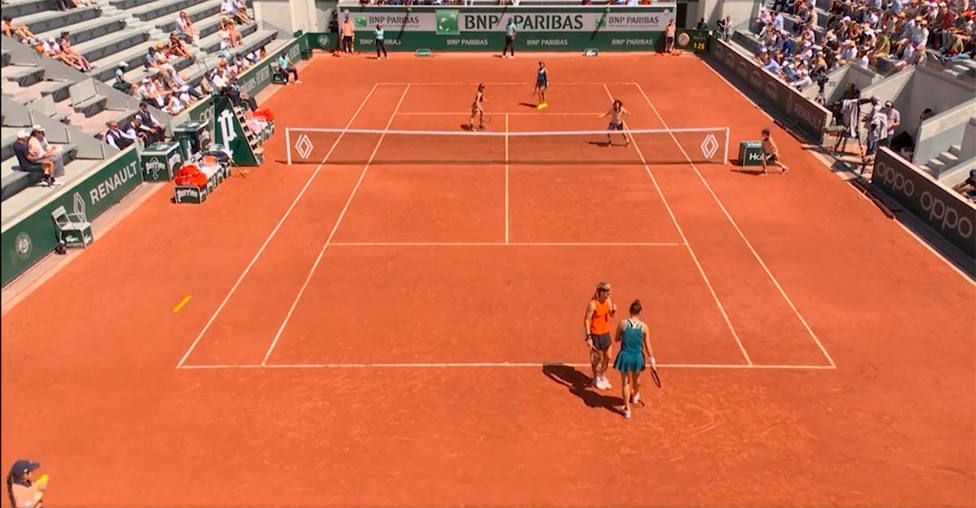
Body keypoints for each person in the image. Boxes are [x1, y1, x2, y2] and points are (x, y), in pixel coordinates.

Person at [613, 299, 655, 419]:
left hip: (625, 356)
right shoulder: (644, 327)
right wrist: (652, 359)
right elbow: (647, 345)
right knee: (636, 379)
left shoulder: (622, 324)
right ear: (640, 312)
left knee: (625, 383)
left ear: (630, 311)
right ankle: (636, 395)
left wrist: (626, 336)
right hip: (637, 357)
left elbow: (616, 338)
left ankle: (627, 409)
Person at [583, 282, 617, 390]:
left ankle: (602, 375)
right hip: (595, 334)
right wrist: (588, 337)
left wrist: (613, 311)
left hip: (605, 333)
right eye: (607, 292)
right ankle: (596, 378)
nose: (609, 294)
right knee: (596, 359)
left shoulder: (608, 301)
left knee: (608, 357)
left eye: (610, 291)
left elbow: (611, 315)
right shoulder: (593, 304)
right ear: (601, 292)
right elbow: (587, 320)